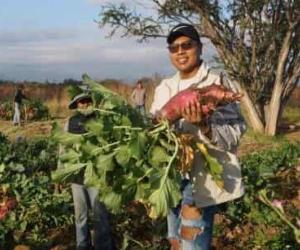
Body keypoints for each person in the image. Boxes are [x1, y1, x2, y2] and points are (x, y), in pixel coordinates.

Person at [150, 23, 246, 250]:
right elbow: (155, 133)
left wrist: (205, 125)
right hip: (171, 179)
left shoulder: (217, 83)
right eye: (174, 47)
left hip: (200, 180)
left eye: (187, 45)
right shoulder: (164, 87)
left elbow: (235, 134)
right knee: (175, 241)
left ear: (200, 48)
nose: (180, 51)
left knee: (191, 246)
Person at [60, 92, 115, 250]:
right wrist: (62, 172)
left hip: (97, 175)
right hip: (77, 176)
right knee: (80, 215)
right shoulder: (70, 122)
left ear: (92, 103)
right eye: (81, 102)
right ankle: (82, 245)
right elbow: (62, 148)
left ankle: (102, 246)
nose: (84, 104)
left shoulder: (102, 120)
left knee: (100, 214)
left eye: (87, 101)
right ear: (76, 105)